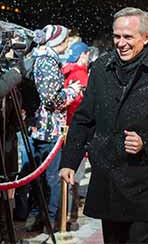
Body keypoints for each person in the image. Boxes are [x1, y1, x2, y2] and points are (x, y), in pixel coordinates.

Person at [59, 7, 148, 244]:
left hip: (143, 181)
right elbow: (84, 118)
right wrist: (70, 161)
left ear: (146, 37)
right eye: (117, 36)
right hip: (107, 176)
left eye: (128, 37)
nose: (121, 43)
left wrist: (147, 142)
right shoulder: (101, 67)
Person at [25, 24, 81, 232]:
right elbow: (52, 100)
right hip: (49, 130)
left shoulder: (40, 58)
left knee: (41, 179)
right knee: (51, 179)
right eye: (65, 40)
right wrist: (72, 91)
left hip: (40, 129)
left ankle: (42, 218)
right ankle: (52, 221)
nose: (67, 44)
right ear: (56, 42)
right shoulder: (47, 61)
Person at [61, 41, 90, 230]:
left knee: (65, 173)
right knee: (74, 176)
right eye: (87, 55)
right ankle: (70, 217)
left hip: (65, 128)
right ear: (82, 56)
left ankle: (63, 214)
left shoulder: (65, 71)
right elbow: (85, 107)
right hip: (76, 130)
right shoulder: (81, 75)